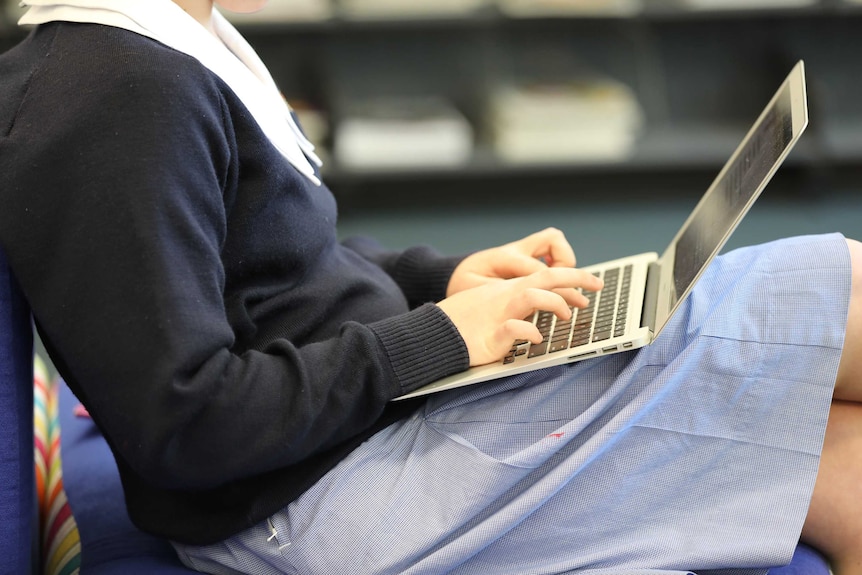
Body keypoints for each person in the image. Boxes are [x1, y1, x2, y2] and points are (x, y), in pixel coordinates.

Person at [0, 0, 860, 573]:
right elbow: (189, 425)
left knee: (839, 455)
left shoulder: (171, 44)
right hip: (311, 501)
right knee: (838, 292)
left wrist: (441, 281)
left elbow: (275, 271)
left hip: (350, 438)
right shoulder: (115, 93)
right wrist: (447, 335)